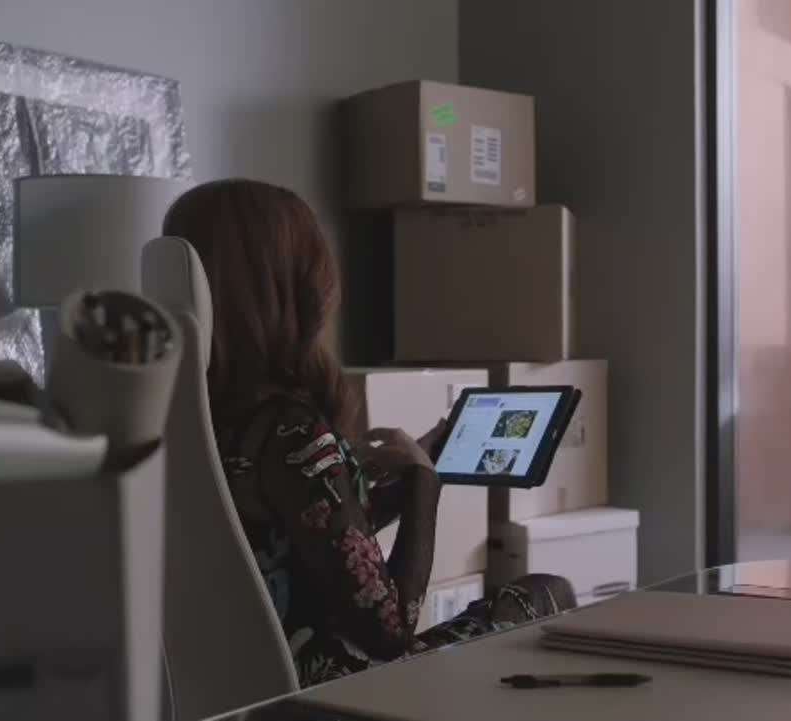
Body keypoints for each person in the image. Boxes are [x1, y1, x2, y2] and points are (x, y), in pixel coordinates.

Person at [161, 179, 575, 686]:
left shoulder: (183, 418)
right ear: (293, 286)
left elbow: (298, 546)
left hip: (239, 683)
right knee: (546, 592)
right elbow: (391, 630)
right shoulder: (292, 432)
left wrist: (379, 484)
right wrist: (423, 485)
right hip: (329, 690)